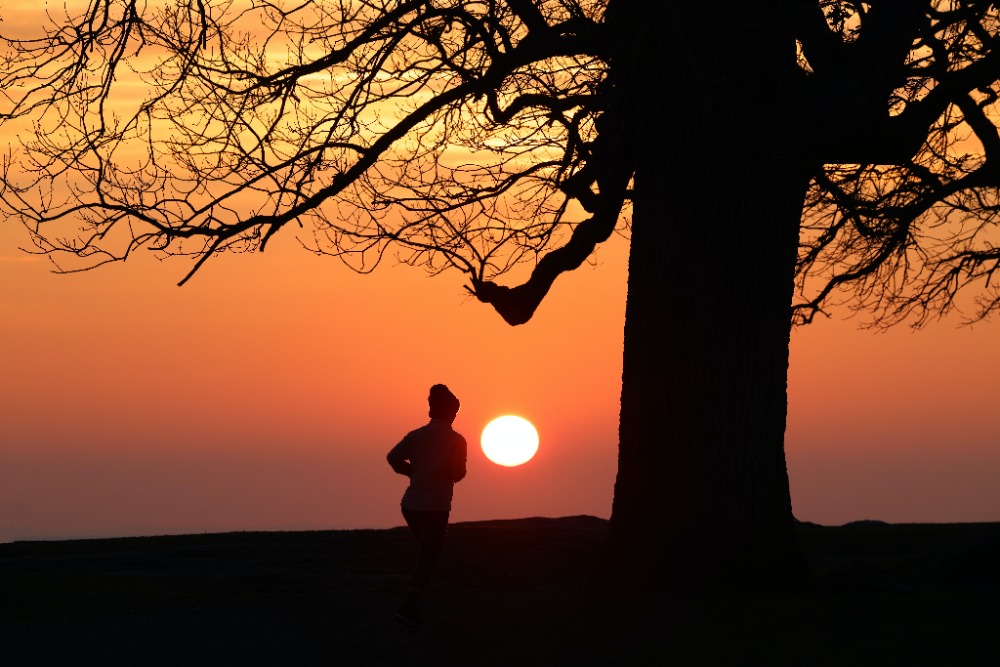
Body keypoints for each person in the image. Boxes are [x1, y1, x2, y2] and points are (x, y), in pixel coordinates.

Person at [386, 384, 467, 627]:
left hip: (411, 505)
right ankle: (410, 605)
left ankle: (415, 602)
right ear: (452, 411)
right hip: (436, 507)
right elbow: (458, 473)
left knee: (428, 553)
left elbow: (393, 457)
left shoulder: (416, 436)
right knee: (430, 554)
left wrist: (413, 472)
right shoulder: (456, 441)